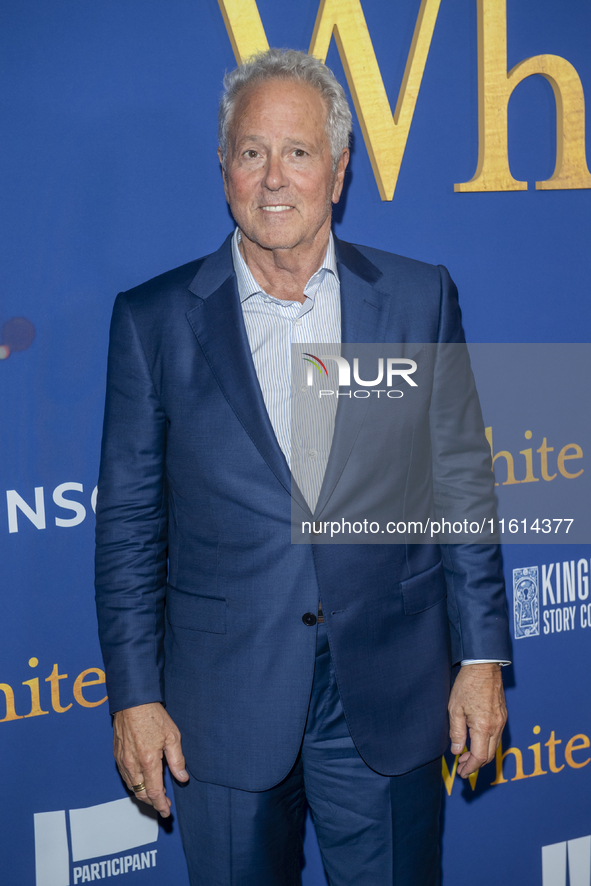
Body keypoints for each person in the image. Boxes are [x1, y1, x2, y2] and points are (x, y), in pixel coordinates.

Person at [95, 48, 511, 886]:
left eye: (298, 152)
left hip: (389, 688)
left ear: (339, 168)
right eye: (252, 152)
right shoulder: (153, 321)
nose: (274, 178)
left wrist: (480, 657)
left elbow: (461, 480)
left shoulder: (417, 297)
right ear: (224, 169)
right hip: (223, 702)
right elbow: (130, 528)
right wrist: (135, 698)